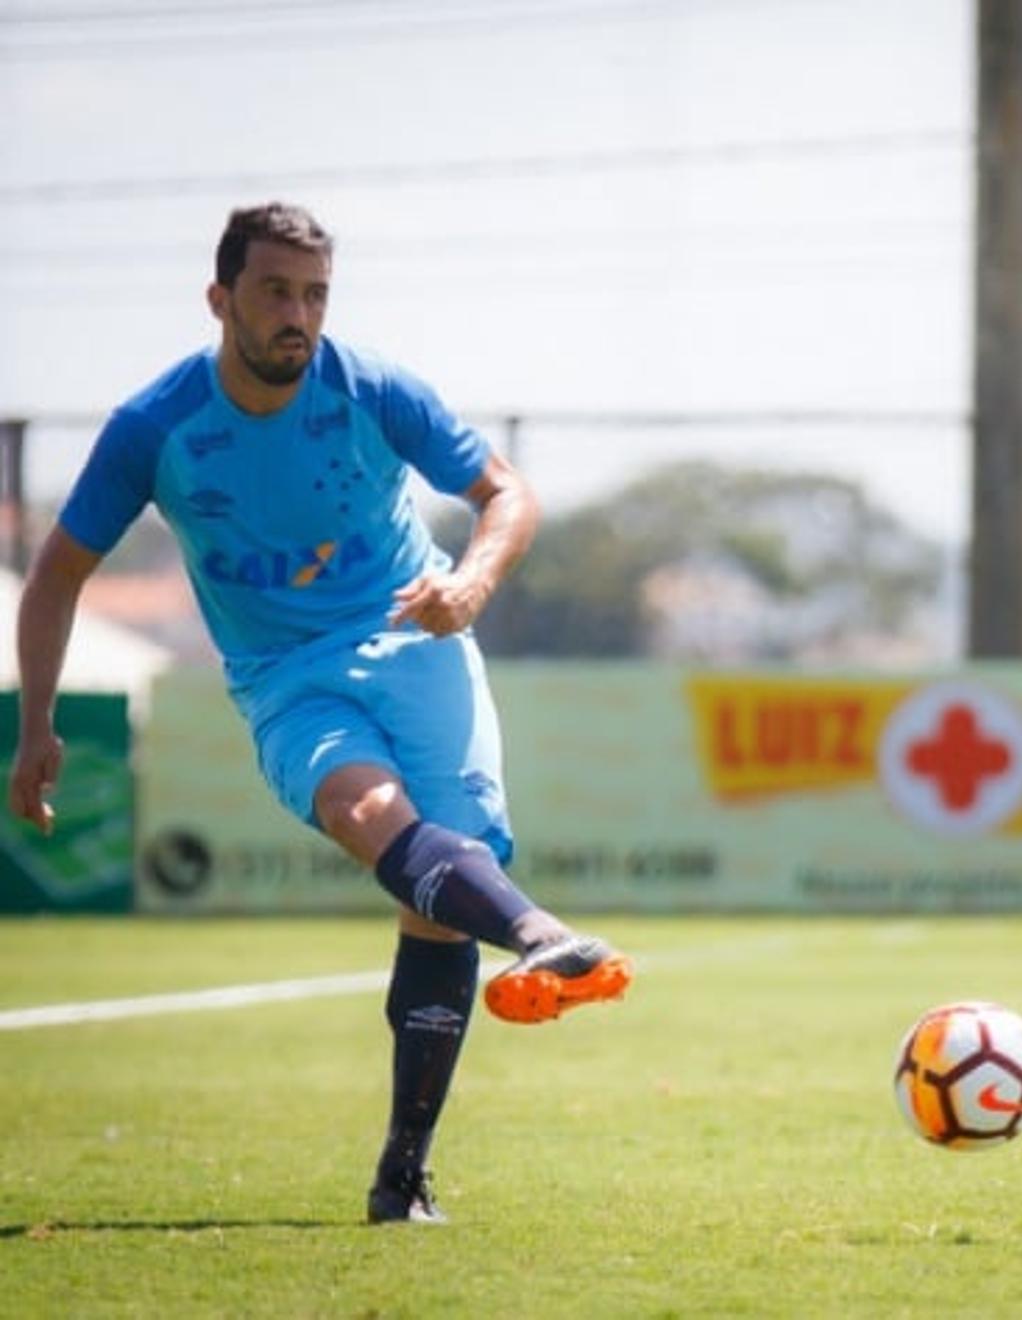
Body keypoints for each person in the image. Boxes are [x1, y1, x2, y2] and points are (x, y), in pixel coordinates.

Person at [7, 202, 634, 1226]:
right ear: (221, 300)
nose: (299, 315)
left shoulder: (372, 386)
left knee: (434, 896)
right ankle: (542, 931)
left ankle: (403, 1177)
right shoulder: (155, 427)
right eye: (275, 292)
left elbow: (506, 493)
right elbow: (57, 575)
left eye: (315, 294)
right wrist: (36, 727)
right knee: (361, 810)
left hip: (417, 641)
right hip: (286, 674)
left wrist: (471, 585)